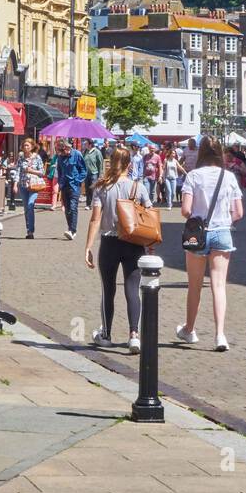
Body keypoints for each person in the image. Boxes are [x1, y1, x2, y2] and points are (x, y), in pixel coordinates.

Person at [177, 135, 244, 353]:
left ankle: (189, 329)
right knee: (218, 286)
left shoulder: (193, 176)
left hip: (198, 234)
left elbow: (186, 210)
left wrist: (198, 215)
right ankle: (220, 335)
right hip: (222, 232)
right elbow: (239, 212)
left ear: (201, 152)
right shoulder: (229, 177)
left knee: (194, 286)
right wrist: (224, 219)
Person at [83, 145, 153, 354]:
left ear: (110, 162)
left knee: (108, 289)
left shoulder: (102, 187)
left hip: (109, 242)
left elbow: (95, 219)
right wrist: (150, 245)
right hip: (134, 242)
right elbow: (148, 215)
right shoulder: (138, 187)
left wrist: (88, 246)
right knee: (132, 290)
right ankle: (134, 335)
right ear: (129, 165)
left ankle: (106, 334)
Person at [55, 139, 88, 239]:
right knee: (67, 209)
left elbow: (83, 170)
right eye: (60, 151)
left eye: (63, 151)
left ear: (67, 147)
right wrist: (60, 184)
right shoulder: (60, 157)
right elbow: (59, 171)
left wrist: (78, 180)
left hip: (74, 185)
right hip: (64, 185)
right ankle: (70, 228)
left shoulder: (77, 154)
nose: (62, 153)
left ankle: (72, 230)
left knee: (73, 207)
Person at [16, 138, 45, 239]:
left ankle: (31, 230)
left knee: (30, 205)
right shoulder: (21, 158)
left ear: (32, 147)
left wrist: (31, 171)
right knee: (26, 209)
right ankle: (29, 231)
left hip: (34, 186)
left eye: (27, 145)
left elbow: (42, 172)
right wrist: (15, 184)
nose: (26, 147)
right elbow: (17, 171)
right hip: (23, 185)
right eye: (24, 145)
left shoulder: (37, 157)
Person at [83, 140, 104, 209]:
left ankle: (93, 204)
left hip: (94, 173)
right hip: (86, 173)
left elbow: (100, 163)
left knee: (93, 188)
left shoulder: (97, 152)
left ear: (90, 144)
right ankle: (88, 204)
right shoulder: (85, 152)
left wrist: (100, 174)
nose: (84, 145)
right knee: (87, 189)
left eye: (86, 144)